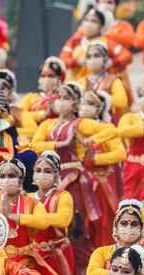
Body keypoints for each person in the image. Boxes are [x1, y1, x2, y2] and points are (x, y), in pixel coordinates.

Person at [31, 80, 126, 261]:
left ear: (75, 103)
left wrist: (87, 141)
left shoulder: (80, 124)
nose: (60, 101)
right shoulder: (48, 124)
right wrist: (61, 144)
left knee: (76, 225)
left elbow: (112, 130)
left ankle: (83, 266)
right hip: (50, 178)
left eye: (66, 98)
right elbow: (35, 144)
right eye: (58, 97)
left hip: (75, 178)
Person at [77, 41, 129, 120]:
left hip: (106, 123)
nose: (92, 59)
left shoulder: (113, 80)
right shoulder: (81, 81)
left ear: (105, 59)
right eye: (89, 56)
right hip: (84, 123)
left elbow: (122, 101)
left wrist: (100, 97)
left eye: (96, 56)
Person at [18, 56, 65, 126]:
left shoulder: (63, 98)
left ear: (60, 79)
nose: (46, 79)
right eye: (43, 76)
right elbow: (19, 115)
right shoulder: (30, 97)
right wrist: (43, 114)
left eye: (51, 76)